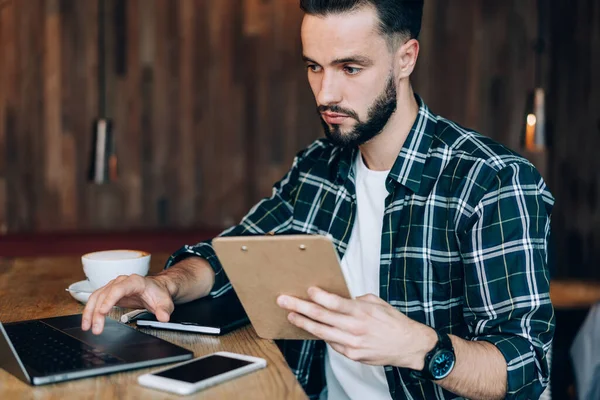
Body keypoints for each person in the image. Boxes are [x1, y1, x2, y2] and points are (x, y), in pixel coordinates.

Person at [81, 1, 555, 399]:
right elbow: (233, 254)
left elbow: (526, 368)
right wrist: (166, 285)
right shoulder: (318, 164)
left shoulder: (493, 181)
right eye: (314, 66)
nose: (326, 92)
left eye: (351, 67)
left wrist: (421, 347)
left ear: (406, 58)